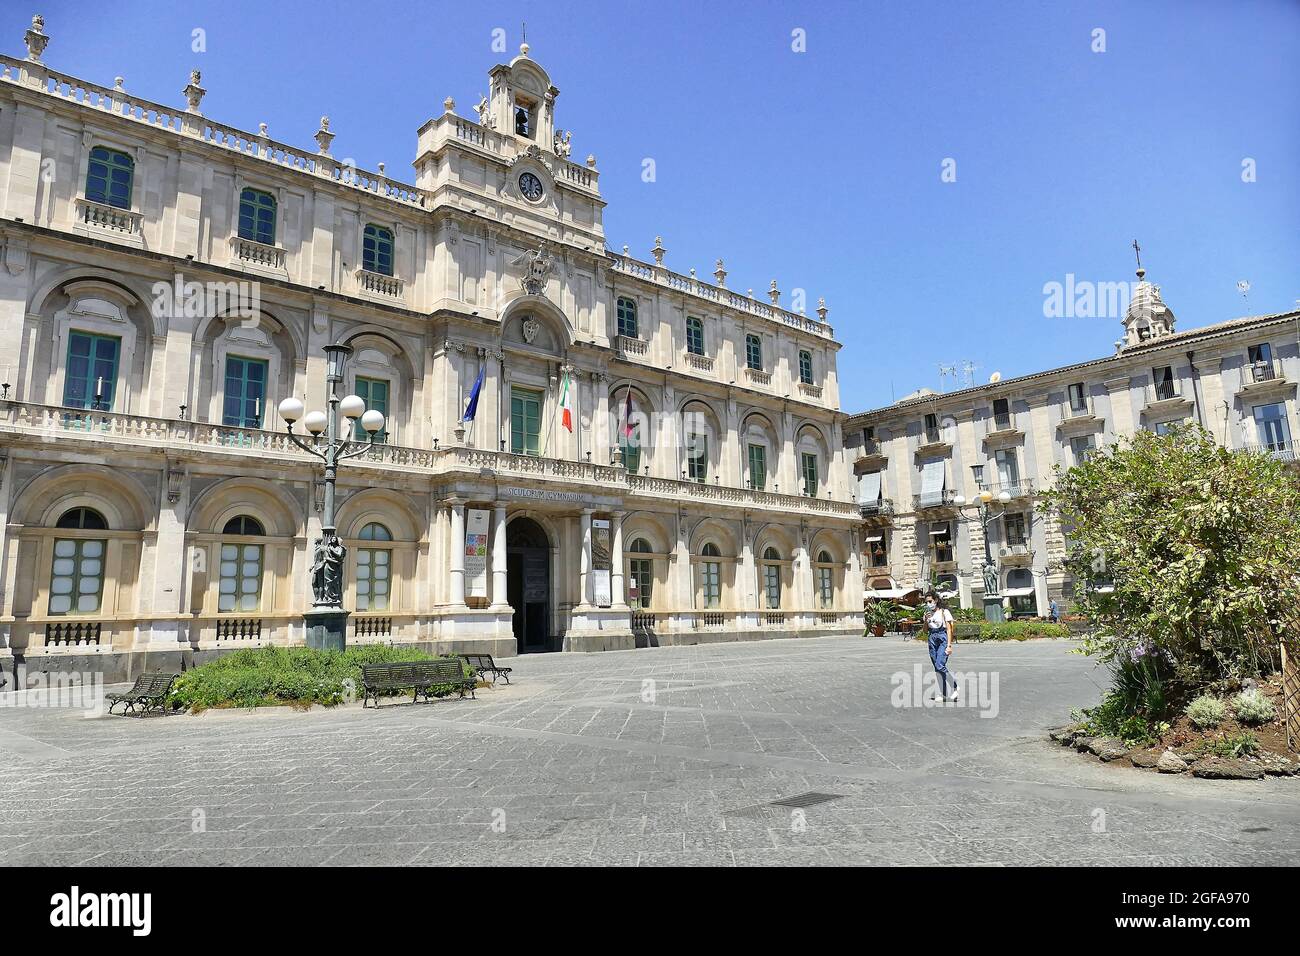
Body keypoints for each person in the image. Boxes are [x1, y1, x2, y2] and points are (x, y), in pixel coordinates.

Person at [923, 590, 957, 702]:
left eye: (930, 601)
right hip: (932, 638)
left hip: (942, 637)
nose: (929, 604)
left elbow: (949, 629)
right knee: (937, 668)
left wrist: (949, 645)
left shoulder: (944, 612)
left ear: (936, 600)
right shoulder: (927, 614)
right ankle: (943, 693)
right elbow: (924, 631)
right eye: (927, 602)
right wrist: (926, 621)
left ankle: (955, 687)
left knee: (939, 664)